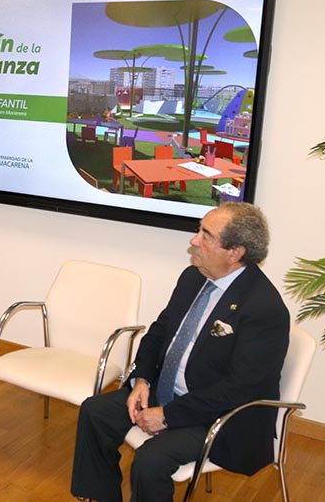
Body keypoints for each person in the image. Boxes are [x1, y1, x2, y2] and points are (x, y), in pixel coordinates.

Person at [71, 202, 289, 502]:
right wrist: (143, 379)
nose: (194, 240)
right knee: (95, 412)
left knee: (151, 460)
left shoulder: (264, 309)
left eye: (206, 235)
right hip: (164, 390)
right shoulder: (193, 278)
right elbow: (159, 332)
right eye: (198, 230)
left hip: (218, 416)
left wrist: (168, 416)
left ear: (235, 252)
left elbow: (240, 389)